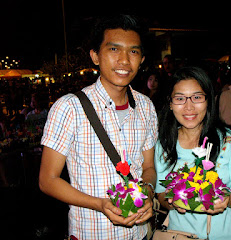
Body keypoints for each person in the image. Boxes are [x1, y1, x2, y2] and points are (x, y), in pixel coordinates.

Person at [39, 14, 158, 240]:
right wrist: (100, 204)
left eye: (133, 51)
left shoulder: (146, 106)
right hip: (92, 232)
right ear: (95, 56)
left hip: (140, 234)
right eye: (114, 50)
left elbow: (149, 167)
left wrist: (148, 193)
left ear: (142, 59)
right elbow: (48, 180)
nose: (124, 61)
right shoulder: (69, 108)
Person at [154, 66, 231, 240]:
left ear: (208, 101)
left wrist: (226, 200)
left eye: (197, 97)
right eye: (180, 98)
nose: (189, 106)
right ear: (170, 103)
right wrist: (173, 203)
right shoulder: (164, 144)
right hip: (179, 234)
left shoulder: (230, 140)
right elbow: (161, 193)